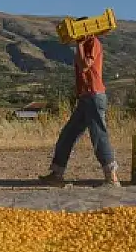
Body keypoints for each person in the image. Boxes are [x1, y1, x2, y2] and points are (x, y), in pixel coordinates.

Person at [38, 34, 120, 187]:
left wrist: (80, 45)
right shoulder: (83, 45)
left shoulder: (93, 42)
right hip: (86, 97)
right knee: (68, 135)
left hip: (94, 96)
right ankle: (57, 174)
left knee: (98, 135)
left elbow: (85, 65)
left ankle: (112, 177)